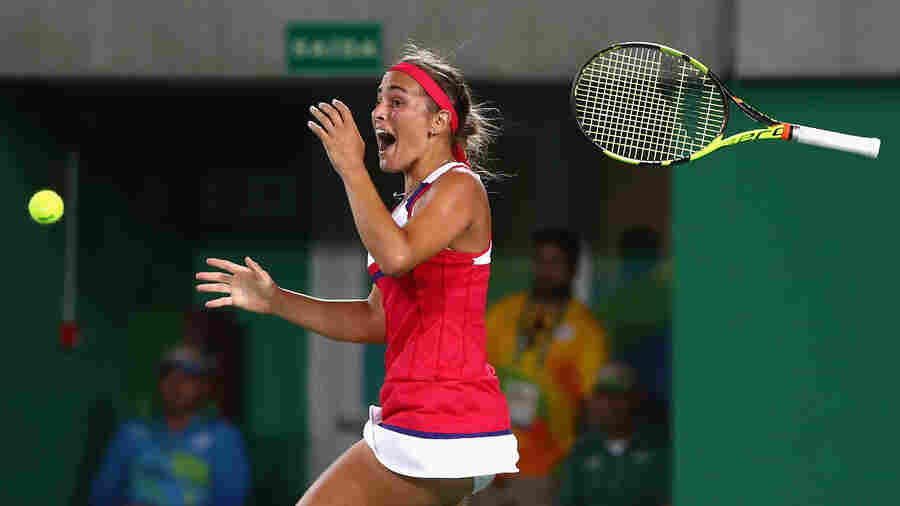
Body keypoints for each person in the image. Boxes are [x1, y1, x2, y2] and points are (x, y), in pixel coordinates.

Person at [195, 43, 518, 506]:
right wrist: (276, 299)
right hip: (431, 420)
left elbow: (396, 256)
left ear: (439, 121)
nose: (379, 112)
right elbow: (376, 320)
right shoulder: (409, 208)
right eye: (380, 99)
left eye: (397, 101)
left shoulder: (459, 185)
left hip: (443, 416)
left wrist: (350, 167)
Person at [474, 228, 610, 506]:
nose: (546, 271)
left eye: (555, 263)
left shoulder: (586, 329)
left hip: (546, 468)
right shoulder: (504, 312)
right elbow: (472, 373)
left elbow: (591, 402)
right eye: (541, 262)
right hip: (490, 460)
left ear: (572, 270)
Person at [90, 344, 250, 506]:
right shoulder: (131, 435)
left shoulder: (223, 439)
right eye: (169, 376)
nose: (176, 385)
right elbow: (102, 496)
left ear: (203, 387)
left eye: (187, 377)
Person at [557, 363, 670, 506]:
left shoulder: (658, 450)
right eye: (601, 397)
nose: (608, 405)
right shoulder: (581, 453)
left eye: (618, 396)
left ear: (634, 400)